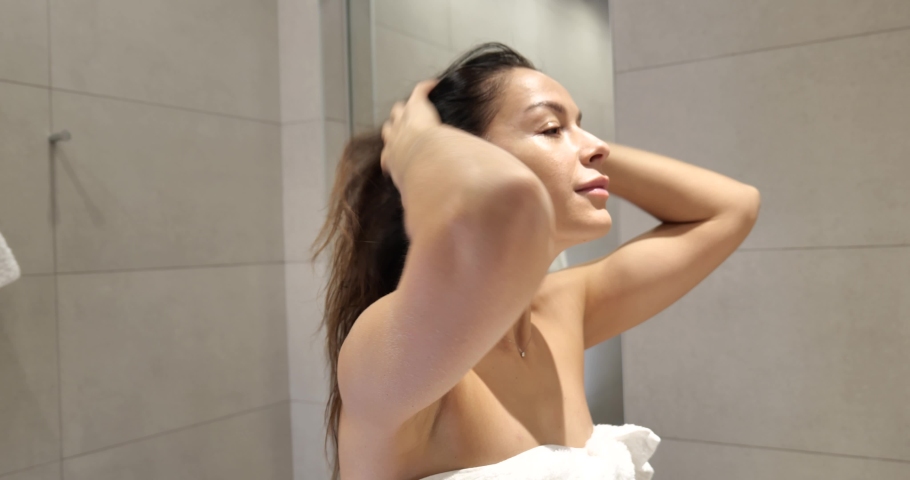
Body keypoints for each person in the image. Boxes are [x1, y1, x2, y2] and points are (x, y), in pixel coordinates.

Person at [310, 42, 760, 479]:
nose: (598, 145)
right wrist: (415, 146)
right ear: (471, 159)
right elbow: (508, 207)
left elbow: (732, 207)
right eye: (549, 129)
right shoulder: (393, 347)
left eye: (581, 126)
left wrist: (580, 150)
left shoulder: (561, 310)